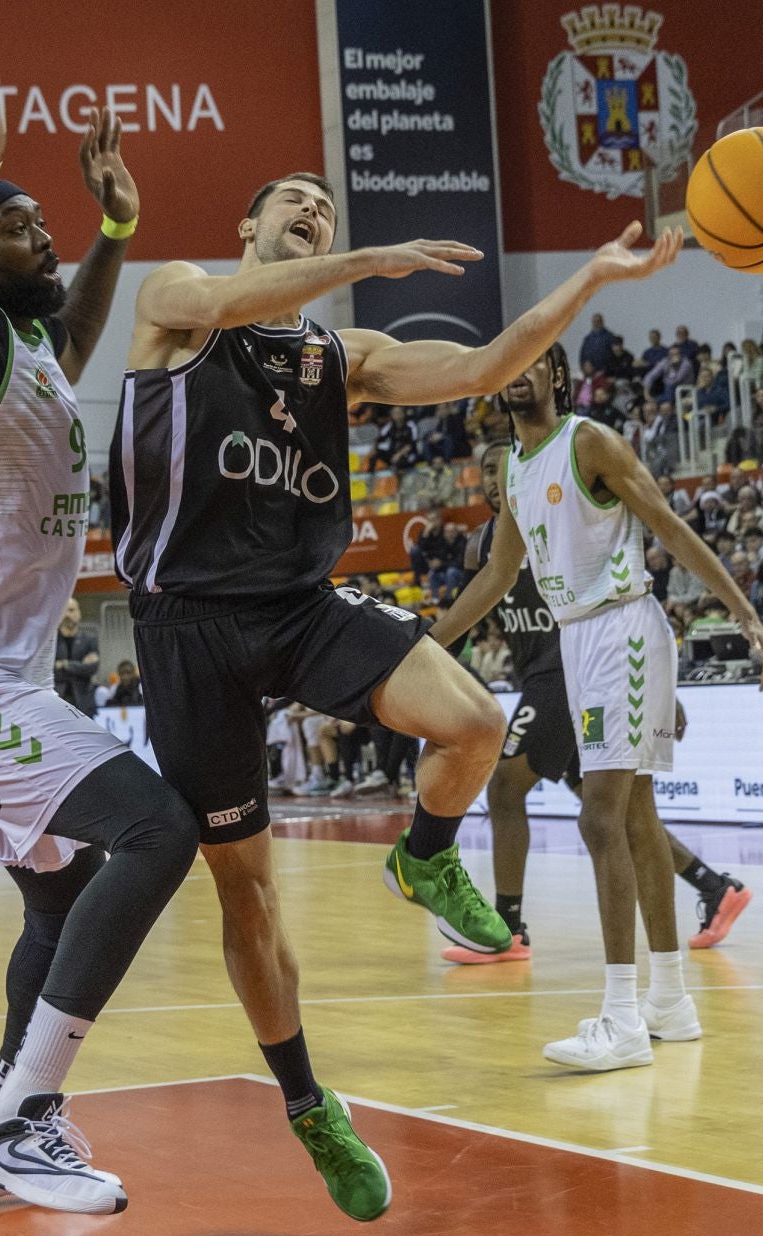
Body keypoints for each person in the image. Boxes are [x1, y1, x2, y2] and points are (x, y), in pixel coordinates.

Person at [116, 173, 680, 1165]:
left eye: (325, 204)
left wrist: (591, 278)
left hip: (295, 606)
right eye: (290, 199)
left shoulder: (347, 356)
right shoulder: (176, 299)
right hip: (187, 624)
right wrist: (371, 261)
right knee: (249, 897)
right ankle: (306, 1104)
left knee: (475, 722)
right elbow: (220, 302)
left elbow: (483, 366)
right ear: (246, 223)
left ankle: (422, 853)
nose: (311, 209)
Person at [0, 37, 200, 1214]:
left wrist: (112, 234)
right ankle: (20, 1116)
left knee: (59, 901)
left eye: (36, 221)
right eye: (17, 228)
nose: (39, 233)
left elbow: (70, 339)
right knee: (158, 829)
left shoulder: (36, 358)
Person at [435, 346, 763, 1073]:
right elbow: (499, 574)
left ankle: (621, 1017)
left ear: (557, 377)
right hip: (578, 639)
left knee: (600, 815)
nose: (519, 374)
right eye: (510, 365)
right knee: (636, 819)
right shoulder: (511, 469)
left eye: (535, 363)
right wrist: (430, 646)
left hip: (622, 624)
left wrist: (744, 613)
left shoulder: (589, 441)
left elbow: (671, 529)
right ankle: (670, 1002)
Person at [427, 442, 754, 968]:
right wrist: (428, 659)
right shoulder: (479, 548)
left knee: (506, 786)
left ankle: (508, 928)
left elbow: (619, 607)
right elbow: (468, 624)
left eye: (502, 469)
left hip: (575, 671)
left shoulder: (558, 525)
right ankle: (714, 886)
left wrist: (662, 690)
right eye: (485, 471)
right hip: (543, 678)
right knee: (613, 813)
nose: (494, 479)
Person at [52, 599, 101, 714]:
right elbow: (48, 669)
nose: (67, 614)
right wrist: (80, 666)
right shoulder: (51, 640)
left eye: (71, 610)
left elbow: (92, 668)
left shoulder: (89, 640)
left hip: (83, 700)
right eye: (64, 611)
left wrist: (64, 664)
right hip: (57, 699)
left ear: (79, 613)